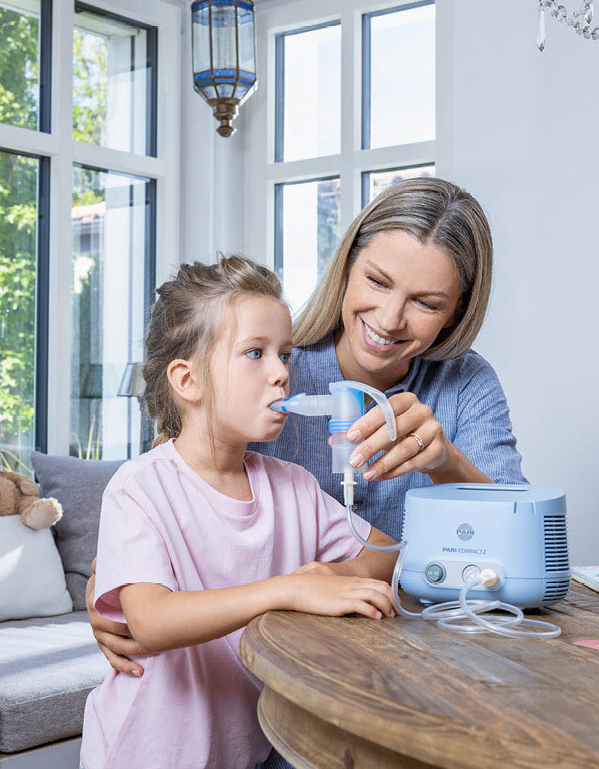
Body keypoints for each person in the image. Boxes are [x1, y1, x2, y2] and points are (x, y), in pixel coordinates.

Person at [87, 178, 527, 766]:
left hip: (392, 683)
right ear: (346, 267)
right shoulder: (247, 411)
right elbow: (178, 486)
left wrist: (445, 466)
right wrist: (109, 584)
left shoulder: (458, 390)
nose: (391, 318)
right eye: (377, 281)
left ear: (455, 315)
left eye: (426, 303)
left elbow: (503, 549)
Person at [80, 256, 401, 769]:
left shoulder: (292, 488)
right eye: (255, 353)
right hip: (147, 754)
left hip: (244, 754)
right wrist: (290, 589)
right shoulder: (140, 488)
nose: (281, 373)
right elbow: (151, 621)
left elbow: (386, 556)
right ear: (188, 381)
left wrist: (326, 574)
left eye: (285, 354)